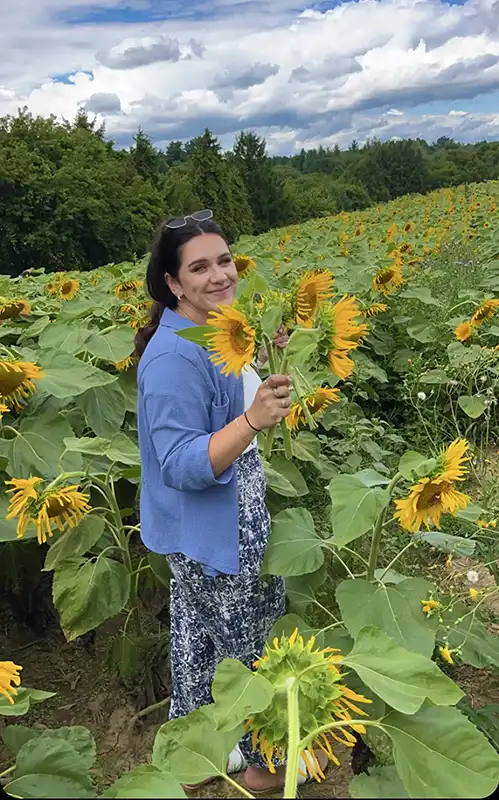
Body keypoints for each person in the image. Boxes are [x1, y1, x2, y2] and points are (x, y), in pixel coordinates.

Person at [135, 211, 327, 793]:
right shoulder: (173, 357)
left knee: (197, 638)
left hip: (200, 527)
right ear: (172, 283)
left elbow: (228, 395)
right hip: (216, 530)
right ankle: (266, 763)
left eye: (224, 261)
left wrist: (264, 354)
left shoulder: (214, 330)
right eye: (199, 267)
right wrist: (252, 420)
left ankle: (194, 751)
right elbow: (180, 463)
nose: (219, 275)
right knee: (252, 646)